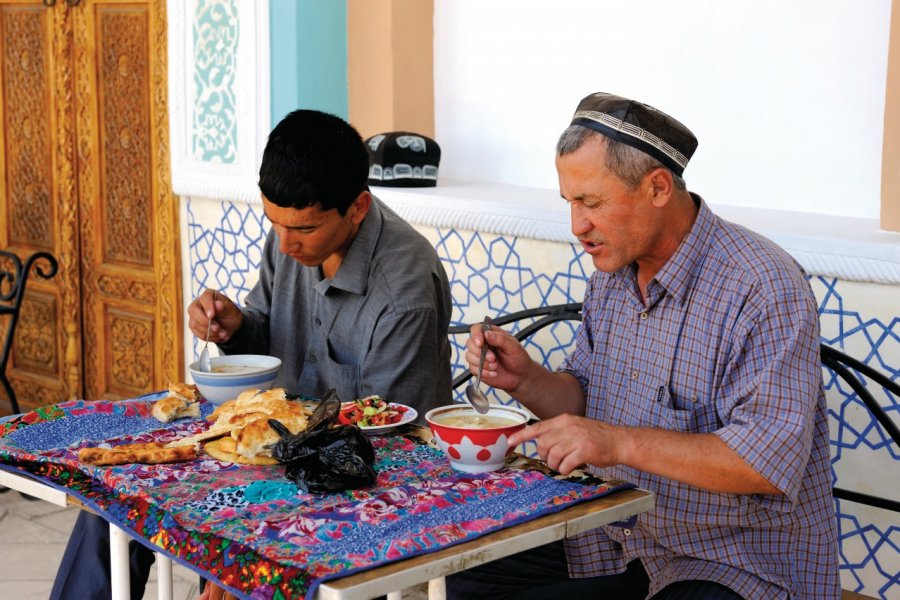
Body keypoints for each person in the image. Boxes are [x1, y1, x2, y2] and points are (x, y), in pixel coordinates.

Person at [447, 92, 840, 600]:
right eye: (569, 202)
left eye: (592, 203)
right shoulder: (611, 275)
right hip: (612, 537)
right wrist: (527, 380)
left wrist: (618, 443)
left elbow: (764, 462)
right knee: (471, 570)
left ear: (657, 187)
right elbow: (587, 401)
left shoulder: (762, 286)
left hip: (732, 563)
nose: (577, 227)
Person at [52, 109, 453, 600]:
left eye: (302, 229)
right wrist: (236, 328)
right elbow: (266, 337)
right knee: (116, 497)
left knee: (217, 529)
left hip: (353, 483)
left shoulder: (403, 289)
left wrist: (233, 564)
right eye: (273, 223)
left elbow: (386, 438)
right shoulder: (293, 229)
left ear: (358, 207)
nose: (284, 244)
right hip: (270, 447)